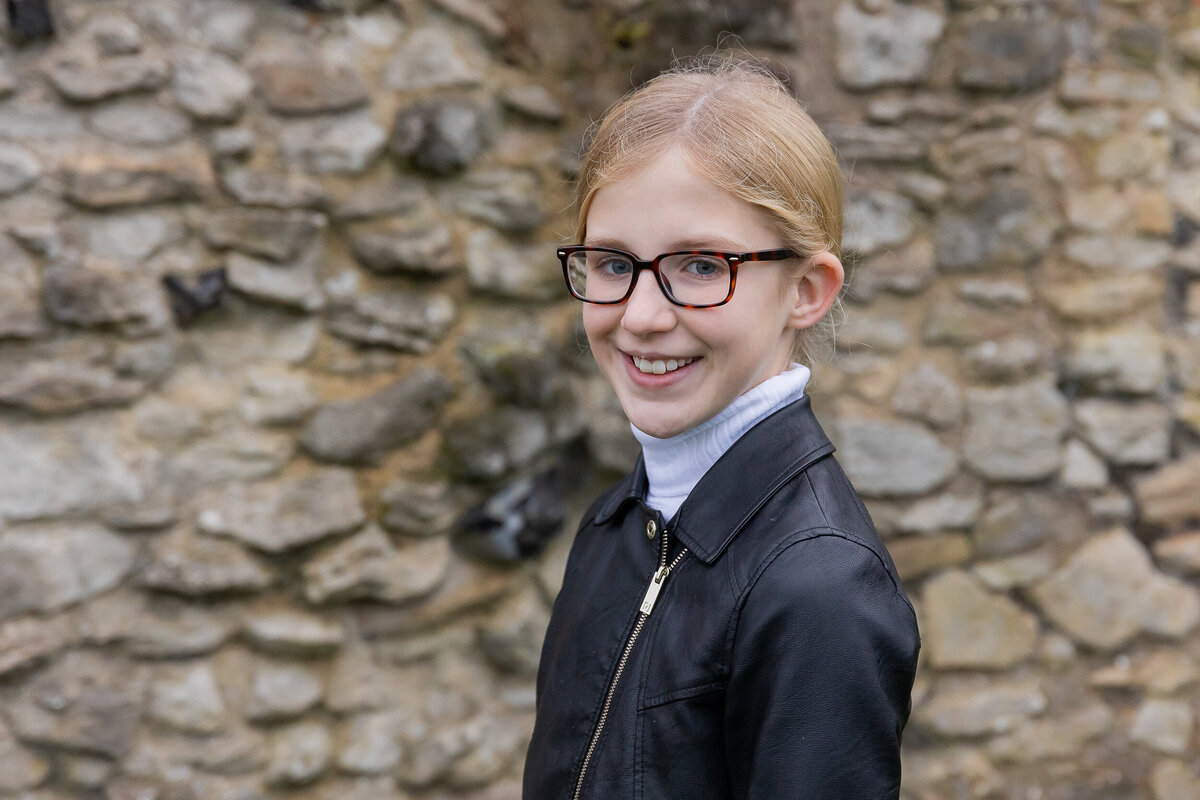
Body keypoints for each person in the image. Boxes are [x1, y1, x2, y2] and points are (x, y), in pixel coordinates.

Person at [523, 56, 920, 800]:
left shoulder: (820, 588)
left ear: (807, 290)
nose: (641, 315)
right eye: (612, 263)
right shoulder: (616, 526)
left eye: (701, 266)